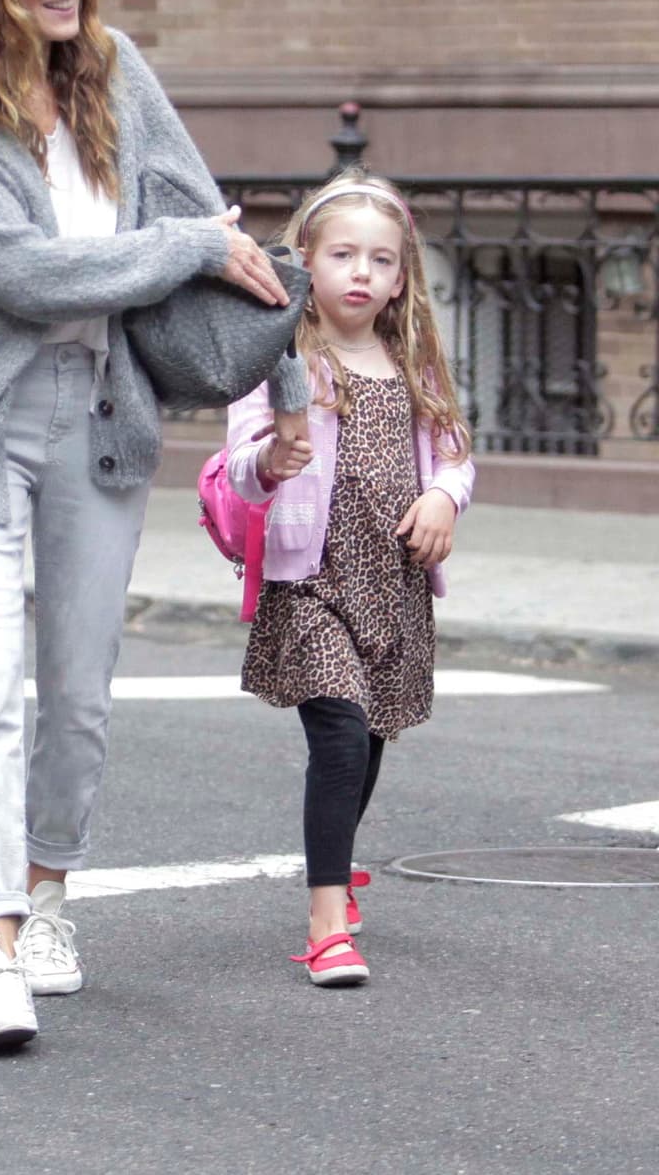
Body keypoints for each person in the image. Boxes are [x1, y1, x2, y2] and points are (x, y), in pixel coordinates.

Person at [0, 0, 309, 1052]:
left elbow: (224, 246)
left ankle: (52, 894)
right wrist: (177, 246)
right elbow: (25, 273)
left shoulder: (113, 71)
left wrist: (287, 394)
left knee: (76, 693)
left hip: (100, 416)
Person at [224, 166, 476, 987]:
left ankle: (339, 865)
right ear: (307, 260)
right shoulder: (282, 358)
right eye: (343, 255)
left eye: (380, 260)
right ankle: (327, 921)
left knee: (366, 741)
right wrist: (269, 457)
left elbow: (456, 455)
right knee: (337, 730)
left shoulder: (412, 363)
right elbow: (237, 466)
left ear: (402, 278)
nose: (360, 273)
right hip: (311, 582)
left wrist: (443, 494)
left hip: (392, 582)